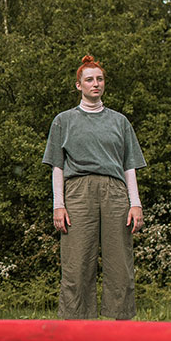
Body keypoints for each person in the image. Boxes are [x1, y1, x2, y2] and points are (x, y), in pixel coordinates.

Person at [42, 55, 146, 320]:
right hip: (77, 193)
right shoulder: (63, 120)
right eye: (89, 79)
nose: (95, 84)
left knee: (120, 263)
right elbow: (57, 166)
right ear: (79, 85)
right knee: (77, 264)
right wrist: (58, 205)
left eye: (99, 79)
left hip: (115, 192)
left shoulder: (119, 121)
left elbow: (129, 165)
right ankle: (76, 328)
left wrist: (135, 203)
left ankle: (120, 326)